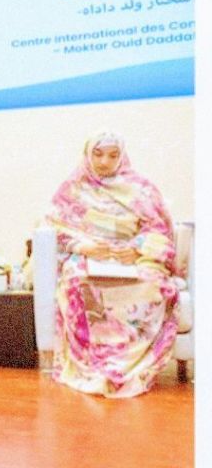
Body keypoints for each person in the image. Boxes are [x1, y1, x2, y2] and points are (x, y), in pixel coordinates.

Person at [46, 131, 178, 398]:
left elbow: (160, 230)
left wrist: (137, 248)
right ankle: (90, 364)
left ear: (122, 157)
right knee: (74, 280)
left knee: (154, 283)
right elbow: (53, 228)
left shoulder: (141, 189)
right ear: (87, 155)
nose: (104, 161)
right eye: (98, 154)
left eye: (112, 155)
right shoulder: (72, 189)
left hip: (132, 255)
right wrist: (82, 246)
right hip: (90, 254)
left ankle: (128, 364)